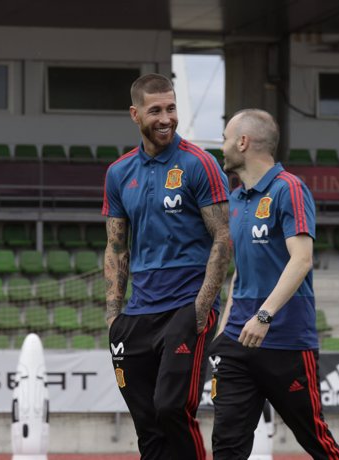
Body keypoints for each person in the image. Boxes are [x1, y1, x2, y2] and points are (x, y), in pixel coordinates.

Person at [102, 73, 231, 460]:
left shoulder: (199, 164)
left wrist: (201, 308)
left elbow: (223, 238)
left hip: (185, 306)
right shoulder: (118, 173)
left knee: (172, 408)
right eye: (155, 110)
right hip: (138, 313)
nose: (165, 118)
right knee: (147, 421)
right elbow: (116, 246)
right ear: (135, 113)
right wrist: (114, 317)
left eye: (171, 108)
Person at [209, 109, 339, 460]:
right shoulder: (236, 200)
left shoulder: (290, 189)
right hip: (237, 343)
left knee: (315, 438)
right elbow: (241, 272)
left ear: (243, 142)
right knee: (226, 444)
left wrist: (264, 316)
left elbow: (301, 259)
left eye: (225, 139)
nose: (221, 147)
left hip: (285, 341)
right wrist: (224, 331)